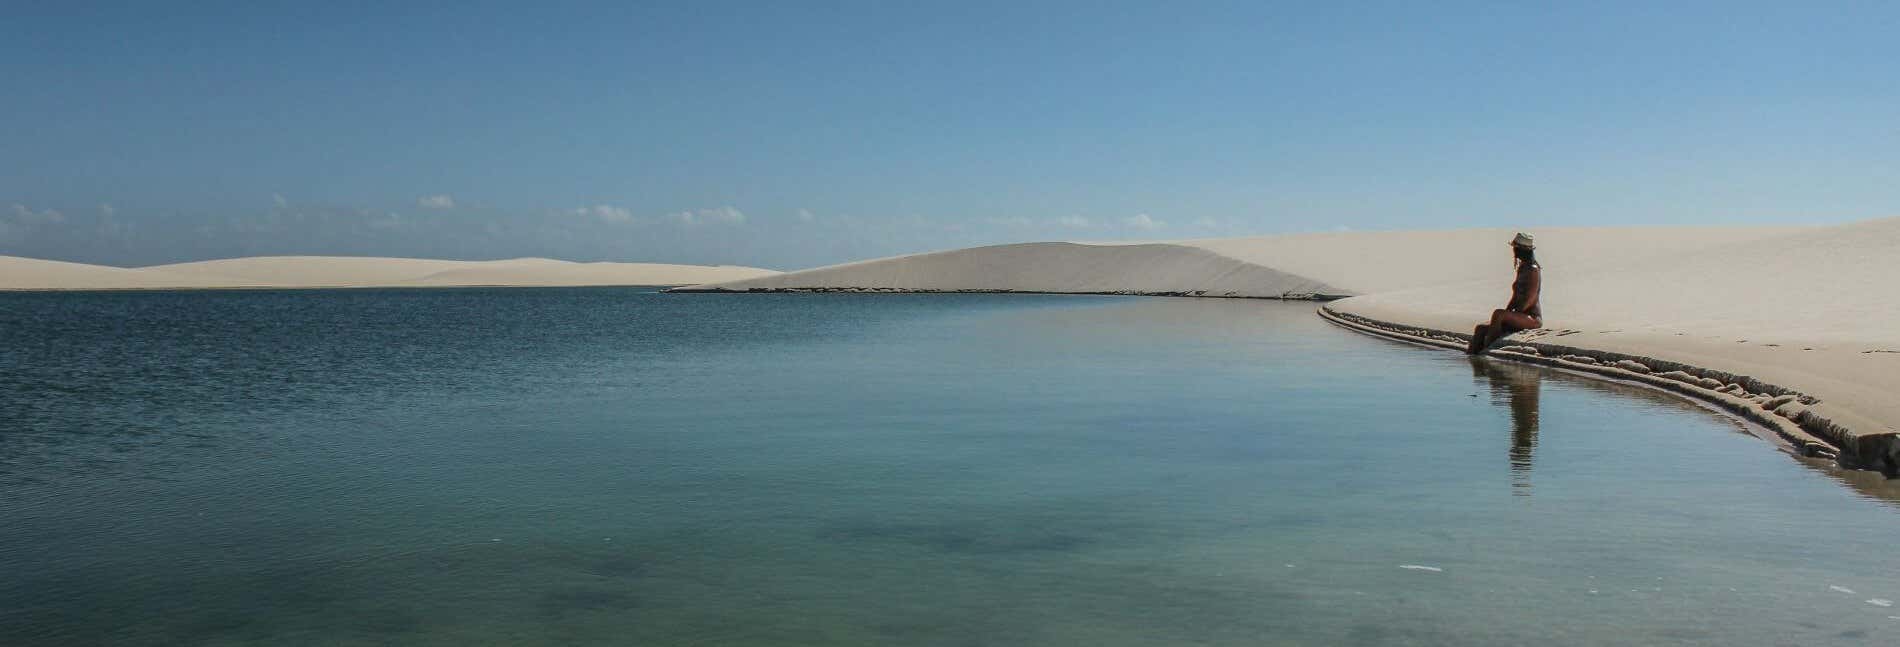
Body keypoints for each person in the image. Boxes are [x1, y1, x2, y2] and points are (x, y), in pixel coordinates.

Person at [1467, 233, 1542, 354]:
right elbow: (1516, 295)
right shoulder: (1522, 267)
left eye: (1516, 247)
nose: (1514, 250)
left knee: (1498, 314)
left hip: (1531, 318)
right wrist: (1509, 311)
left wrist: (1514, 313)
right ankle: (1473, 359)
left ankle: (1487, 350)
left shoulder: (1533, 269)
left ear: (1523, 250)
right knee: (1480, 328)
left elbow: (1531, 298)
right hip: (1518, 315)